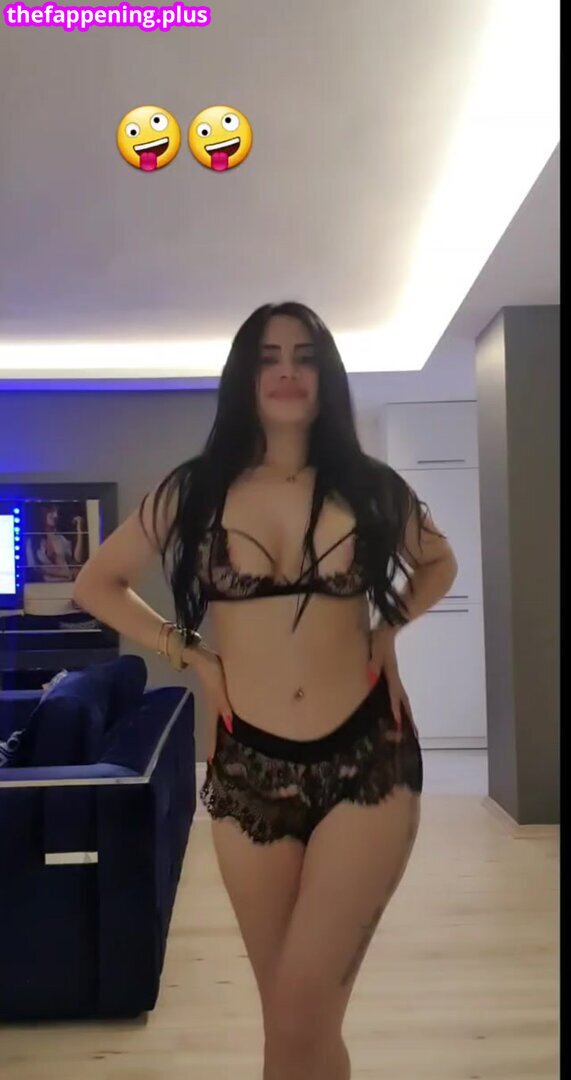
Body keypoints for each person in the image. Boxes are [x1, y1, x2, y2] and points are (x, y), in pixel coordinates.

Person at [73, 301, 458, 1080]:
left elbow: (438, 563)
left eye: (304, 356)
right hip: (249, 768)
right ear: (244, 377)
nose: (287, 372)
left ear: (326, 376)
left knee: (301, 1009)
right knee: (290, 1018)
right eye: (269, 356)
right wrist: (193, 656)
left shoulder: (369, 487)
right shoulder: (195, 490)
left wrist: (386, 629)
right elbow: (96, 583)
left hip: (367, 762)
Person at [26, 504, 84, 583]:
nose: (55, 515)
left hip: (65, 585)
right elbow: (34, 568)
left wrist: (80, 531)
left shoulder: (61, 539)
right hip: (42, 587)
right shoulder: (32, 541)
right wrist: (68, 574)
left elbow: (77, 559)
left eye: (57, 512)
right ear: (43, 513)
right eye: (51, 511)